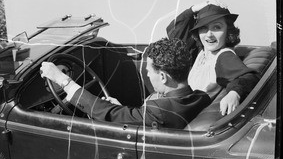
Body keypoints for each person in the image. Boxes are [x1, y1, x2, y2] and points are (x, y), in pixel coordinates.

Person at [40, 38, 211, 129]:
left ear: (164, 77)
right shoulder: (200, 97)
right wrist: (121, 108)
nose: (148, 76)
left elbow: (111, 115)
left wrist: (64, 81)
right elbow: (143, 117)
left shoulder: (159, 110)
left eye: (149, 72)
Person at [166, 0, 260, 116]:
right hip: (182, 106)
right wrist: (193, 9)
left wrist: (234, 93)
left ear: (228, 31)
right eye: (203, 28)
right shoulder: (202, 50)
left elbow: (248, 77)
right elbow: (175, 34)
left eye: (216, 27)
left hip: (189, 113)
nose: (209, 34)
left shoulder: (224, 56)